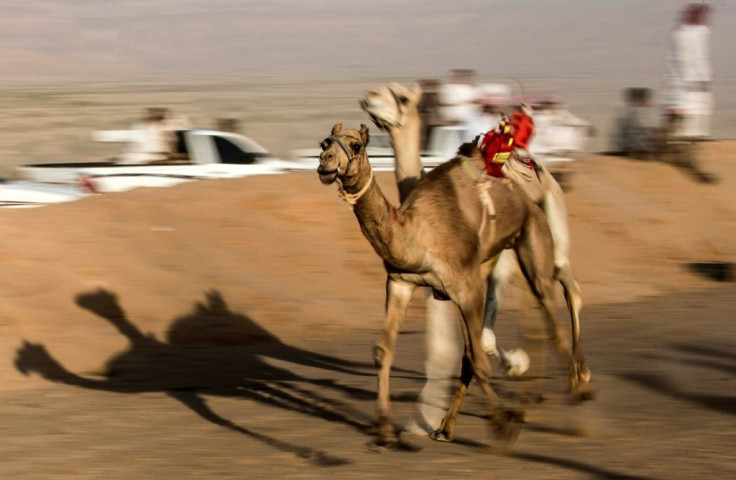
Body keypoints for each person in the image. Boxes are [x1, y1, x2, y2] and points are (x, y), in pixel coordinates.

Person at [661, 3, 713, 141]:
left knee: (697, 122)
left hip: (698, 87)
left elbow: (701, 58)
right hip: (684, 88)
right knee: (683, 128)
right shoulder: (682, 34)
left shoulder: (702, 32)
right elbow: (681, 63)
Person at [613, 87, 658, 158]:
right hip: (638, 151)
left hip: (628, 149)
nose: (651, 101)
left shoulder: (624, 111)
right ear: (640, 100)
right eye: (649, 98)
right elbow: (646, 133)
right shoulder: (638, 112)